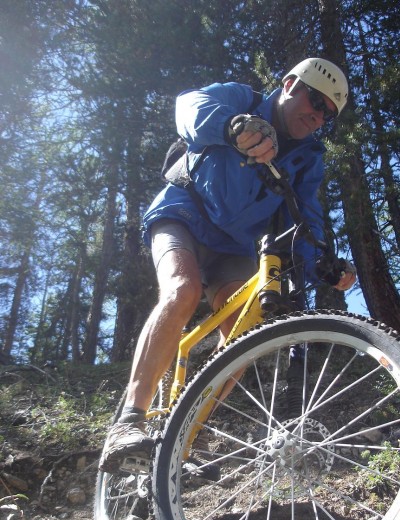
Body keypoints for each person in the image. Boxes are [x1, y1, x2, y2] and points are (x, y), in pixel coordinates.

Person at [99, 57, 357, 474]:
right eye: (315, 99)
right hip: (183, 212)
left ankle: (181, 433)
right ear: (290, 84)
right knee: (181, 290)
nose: (318, 114)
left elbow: (307, 220)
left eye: (329, 112)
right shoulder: (244, 100)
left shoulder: (309, 158)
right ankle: (129, 419)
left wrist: (324, 264)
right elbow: (188, 107)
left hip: (235, 246)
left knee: (241, 334)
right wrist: (233, 127)